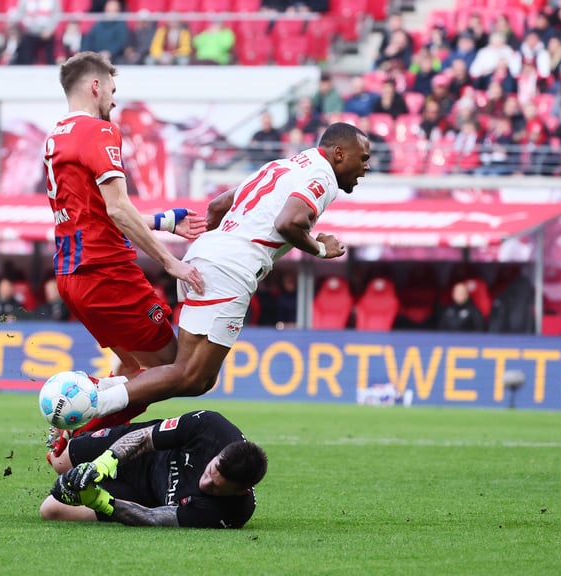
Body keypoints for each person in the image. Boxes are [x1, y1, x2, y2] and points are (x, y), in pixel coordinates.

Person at [69, 122, 369, 426]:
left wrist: (213, 246)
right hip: (231, 269)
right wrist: (320, 248)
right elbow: (289, 222)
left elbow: (218, 205)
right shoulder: (323, 176)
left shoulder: (283, 165)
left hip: (208, 256)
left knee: (198, 379)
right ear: (340, 154)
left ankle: (96, 393)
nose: (367, 167)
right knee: (188, 376)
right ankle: (92, 402)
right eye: (364, 158)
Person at [43, 52, 207, 447]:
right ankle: (76, 432)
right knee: (174, 370)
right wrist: (170, 261)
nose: (115, 101)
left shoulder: (55, 137)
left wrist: (164, 221)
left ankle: (79, 421)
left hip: (74, 276)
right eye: (113, 90)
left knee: (137, 369)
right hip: (106, 274)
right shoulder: (98, 132)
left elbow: (96, 213)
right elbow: (116, 208)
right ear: (95, 86)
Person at [42, 410, 267, 528]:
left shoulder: (230, 514)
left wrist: (98, 500)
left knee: (51, 510)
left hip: (145, 498)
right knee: (58, 460)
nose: (204, 483)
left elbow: (153, 517)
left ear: (241, 491)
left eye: (216, 487)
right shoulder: (210, 425)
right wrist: (104, 463)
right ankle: (89, 424)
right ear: (218, 455)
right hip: (145, 453)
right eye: (209, 472)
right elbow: (144, 438)